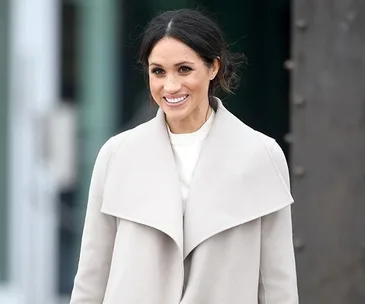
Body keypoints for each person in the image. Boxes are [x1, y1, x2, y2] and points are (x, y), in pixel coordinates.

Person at [70, 8, 298, 304]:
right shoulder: (117, 156)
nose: (171, 86)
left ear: (213, 67)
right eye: (158, 71)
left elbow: (278, 283)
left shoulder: (261, 156)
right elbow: (92, 276)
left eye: (184, 69)